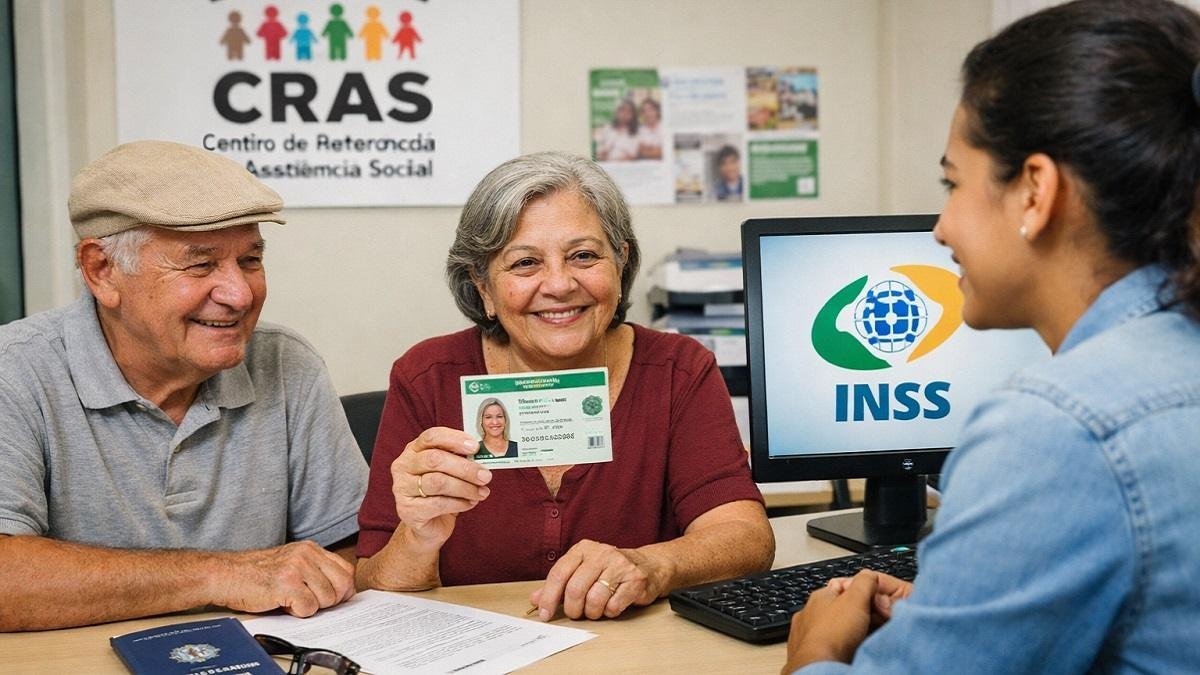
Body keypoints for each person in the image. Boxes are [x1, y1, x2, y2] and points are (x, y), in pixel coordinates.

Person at [783, 0, 1200, 672]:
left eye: (952, 183)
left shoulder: (1055, 429)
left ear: (1035, 191)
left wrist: (816, 649)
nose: (940, 228)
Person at [356, 151, 774, 621]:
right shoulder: (426, 376)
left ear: (621, 263)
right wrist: (418, 537)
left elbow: (746, 538)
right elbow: (373, 580)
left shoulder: (679, 370)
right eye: (525, 263)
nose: (558, 284)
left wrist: (652, 564)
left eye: (583, 256)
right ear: (483, 287)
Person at [0, 141, 369, 631]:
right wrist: (218, 575)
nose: (239, 294)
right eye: (200, 265)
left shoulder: (286, 363)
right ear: (101, 270)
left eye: (251, 260)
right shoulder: (15, 371)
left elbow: (348, 551)